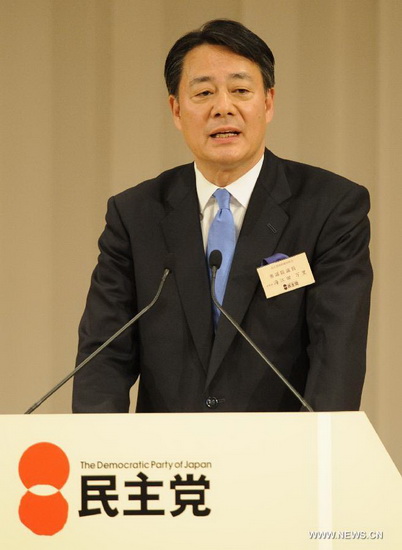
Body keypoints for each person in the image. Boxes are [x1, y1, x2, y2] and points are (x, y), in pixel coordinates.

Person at [72, 19, 372, 413]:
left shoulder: (330, 207)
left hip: (280, 458)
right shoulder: (135, 215)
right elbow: (103, 359)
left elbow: (337, 356)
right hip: (169, 465)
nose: (223, 107)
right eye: (204, 93)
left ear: (267, 103)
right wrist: (101, 458)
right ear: (176, 110)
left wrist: (314, 461)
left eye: (240, 90)